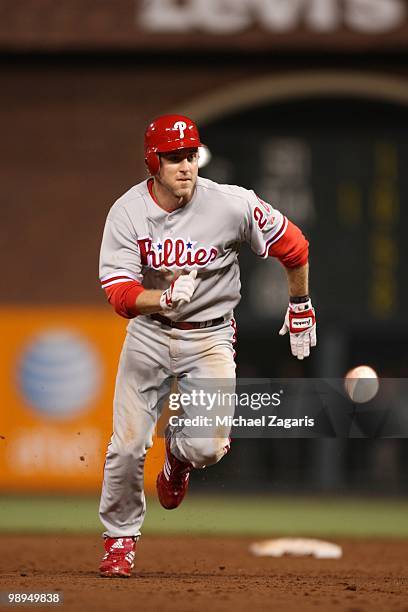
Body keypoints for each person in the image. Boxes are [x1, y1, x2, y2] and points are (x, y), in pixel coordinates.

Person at [98, 114, 316, 577]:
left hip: (212, 336)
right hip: (149, 334)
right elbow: (119, 293)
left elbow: (295, 247)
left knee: (207, 449)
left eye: (191, 155)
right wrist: (161, 297)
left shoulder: (232, 204)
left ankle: (177, 459)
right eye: (174, 157)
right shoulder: (127, 212)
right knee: (127, 445)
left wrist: (300, 304)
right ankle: (119, 538)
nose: (185, 165)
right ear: (152, 162)